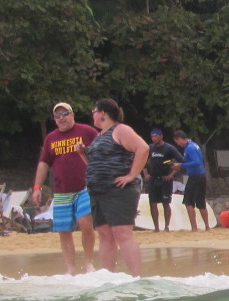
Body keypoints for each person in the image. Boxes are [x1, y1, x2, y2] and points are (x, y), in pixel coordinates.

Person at [80, 99, 149, 276]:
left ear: (102, 113)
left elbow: (142, 148)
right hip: (98, 191)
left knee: (122, 232)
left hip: (118, 190)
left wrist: (132, 175)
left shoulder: (120, 129)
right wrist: (82, 153)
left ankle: (136, 276)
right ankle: (107, 276)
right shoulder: (99, 135)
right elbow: (96, 164)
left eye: (94, 111)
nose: (92, 115)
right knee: (104, 234)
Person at [32, 101, 98, 274]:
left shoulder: (87, 131)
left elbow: (102, 150)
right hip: (61, 190)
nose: (61, 118)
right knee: (64, 230)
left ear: (72, 115)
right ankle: (70, 268)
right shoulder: (51, 138)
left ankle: (89, 263)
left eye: (64, 114)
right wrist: (37, 187)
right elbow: (44, 163)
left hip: (85, 187)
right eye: (57, 115)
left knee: (85, 223)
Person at [144, 128, 183, 231]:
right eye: (152, 136)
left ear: (161, 136)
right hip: (153, 179)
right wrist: (146, 173)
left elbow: (180, 161)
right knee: (153, 203)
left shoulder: (169, 148)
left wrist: (171, 174)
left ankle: (167, 226)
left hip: (165, 179)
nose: (154, 138)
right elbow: (143, 161)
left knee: (165, 203)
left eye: (156, 136)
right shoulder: (150, 148)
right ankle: (156, 227)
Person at [171, 130, 210, 231]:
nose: (177, 144)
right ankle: (207, 226)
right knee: (201, 201)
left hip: (195, 176)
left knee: (188, 201)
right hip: (201, 174)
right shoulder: (194, 145)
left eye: (177, 141)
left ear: (180, 139)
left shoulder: (189, 148)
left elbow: (196, 162)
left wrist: (181, 165)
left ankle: (194, 228)